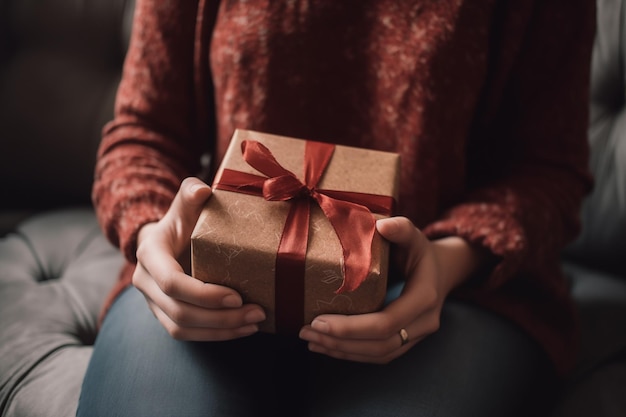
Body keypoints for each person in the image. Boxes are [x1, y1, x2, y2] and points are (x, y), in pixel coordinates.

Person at [77, 0, 596, 416]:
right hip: (216, 273)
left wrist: (445, 263)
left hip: (452, 293)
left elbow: (548, 172)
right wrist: (152, 235)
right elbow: (142, 133)